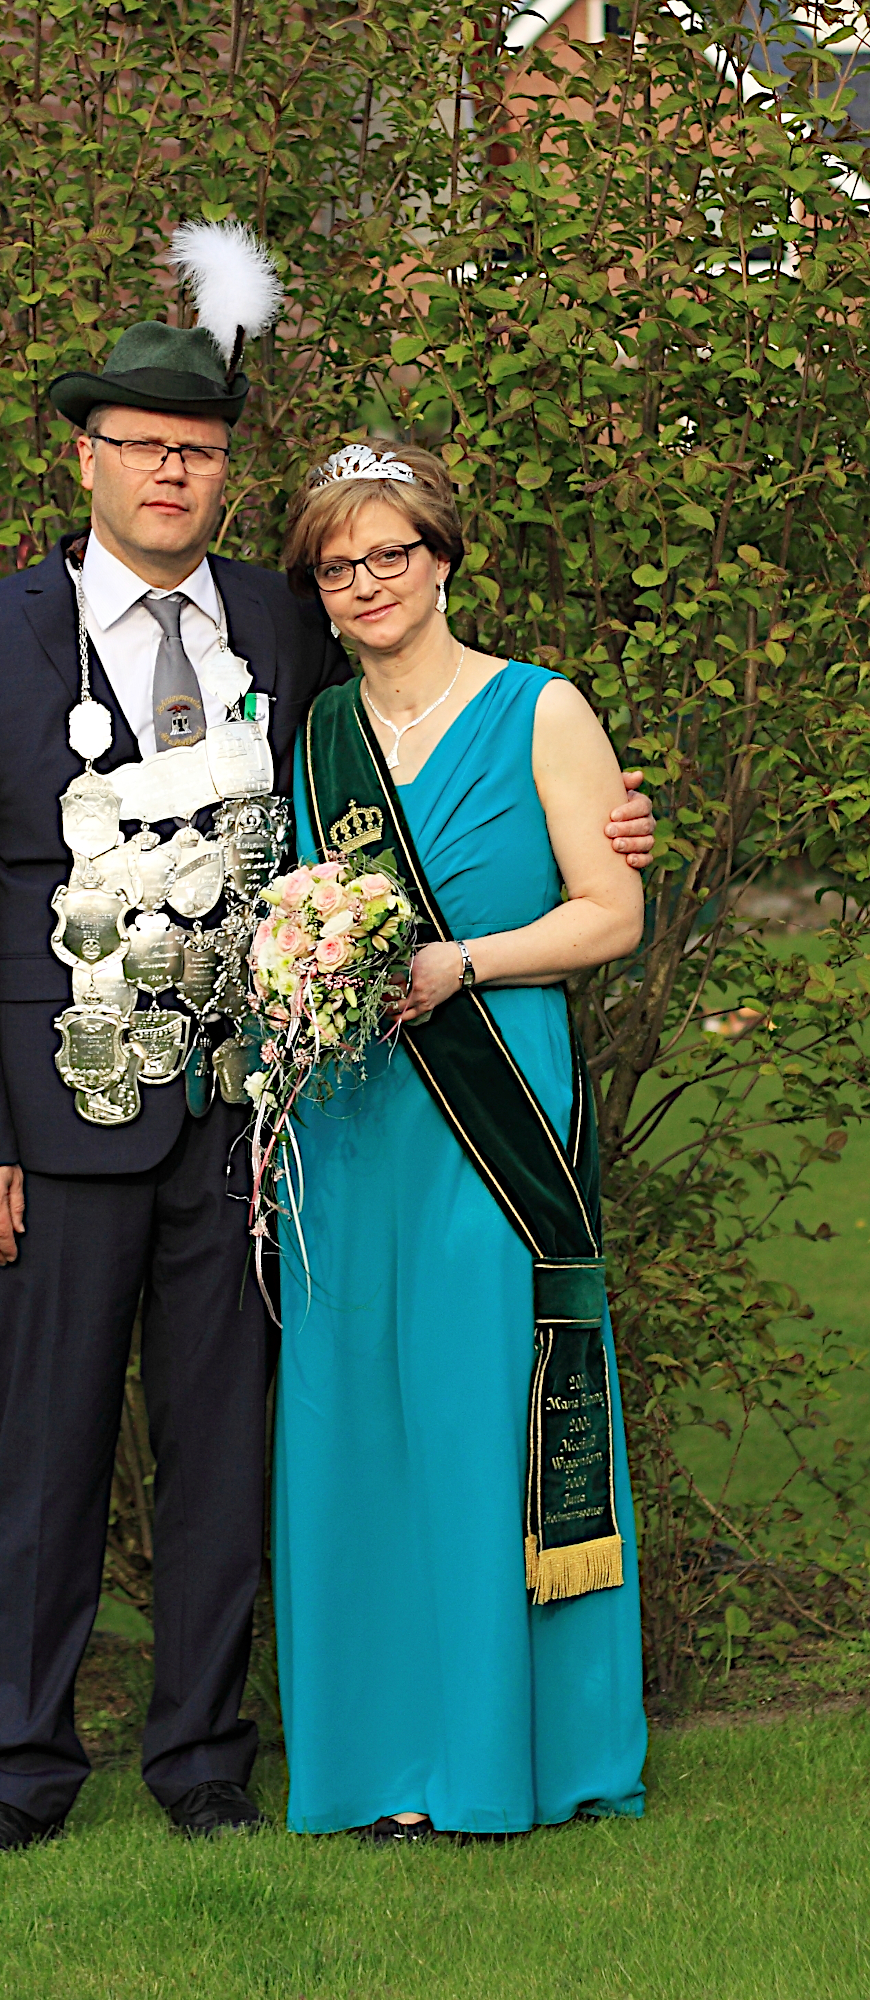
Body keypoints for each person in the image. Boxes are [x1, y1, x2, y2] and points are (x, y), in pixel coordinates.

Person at [0, 249, 657, 1855]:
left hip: (256, 1133)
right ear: (85, 460)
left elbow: (416, 779)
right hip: (57, 1124)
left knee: (225, 1461)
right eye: (139, 446)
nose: (169, 473)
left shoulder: (280, 624)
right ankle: (21, 1775)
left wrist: (608, 828)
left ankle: (202, 1763)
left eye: (197, 450)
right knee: (47, 1463)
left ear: (225, 471)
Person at [272, 440, 649, 1841]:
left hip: (490, 1102)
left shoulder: (542, 709)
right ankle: (375, 1765)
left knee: (474, 1398)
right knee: (358, 1416)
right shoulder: (317, 738)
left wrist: (463, 962)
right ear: (318, 589)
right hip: (354, 1113)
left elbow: (611, 914)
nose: (368, 583)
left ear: (440, 560)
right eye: (338, 566)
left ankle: (509, 1759)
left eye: (391, 554)